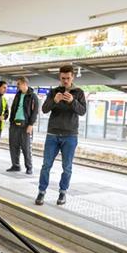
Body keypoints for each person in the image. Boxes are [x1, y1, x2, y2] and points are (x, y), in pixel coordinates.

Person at [35, 65, 86, 206]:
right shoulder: (53, 92)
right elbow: (44, 109)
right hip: (52, 134)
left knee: (67, 167)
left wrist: (72, 101)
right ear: (59, 77)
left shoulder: (79, 92)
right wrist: (54, 101)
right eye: (63, 78)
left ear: (73, 77)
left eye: (68, 78)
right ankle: (41, 192)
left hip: (70, 135)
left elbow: (82, 111)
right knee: (46, 165)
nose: (65, 81)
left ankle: (63, 192)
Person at [7, 76, 39, 174]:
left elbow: (35, 112)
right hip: (14, 124)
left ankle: (29, 167)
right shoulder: (17, 95)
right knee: (13, 146)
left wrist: (31, 124)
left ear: (25, 84)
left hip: (26, 125)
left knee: (26, 147)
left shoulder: (33, 96)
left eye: (19, 84)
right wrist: (11, 121)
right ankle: (15, 165)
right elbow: (13, 108)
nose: (17, 86)